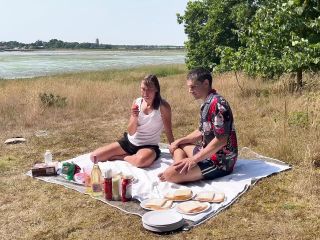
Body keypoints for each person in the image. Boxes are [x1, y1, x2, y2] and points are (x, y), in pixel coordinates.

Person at [158, 67, 238, 183]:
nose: (190, 90)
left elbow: (221, 140)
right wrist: (179, 141)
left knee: (170, 176)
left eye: (193, 86)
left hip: (220, 161)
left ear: (206, 83)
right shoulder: (206, 103)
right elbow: (201, 131)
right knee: (179, 146)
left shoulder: (218, 104)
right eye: (189, 87)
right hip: (206, 151)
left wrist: (193, 160)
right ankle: (180, 168)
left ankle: (178, 170)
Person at [90, 74, 174, 168]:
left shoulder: (163, 107)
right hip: (130, 142)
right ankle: (131, 156)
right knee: (94, 157)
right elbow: (131, 132)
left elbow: (168, 130)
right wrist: (134, 117)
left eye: (149, 89)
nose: (145, 93)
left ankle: (124, 157)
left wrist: (174, 149)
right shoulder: (137, 102)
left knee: (141, 161)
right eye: (143, 89)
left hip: (148, 146)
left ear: (156, 89)